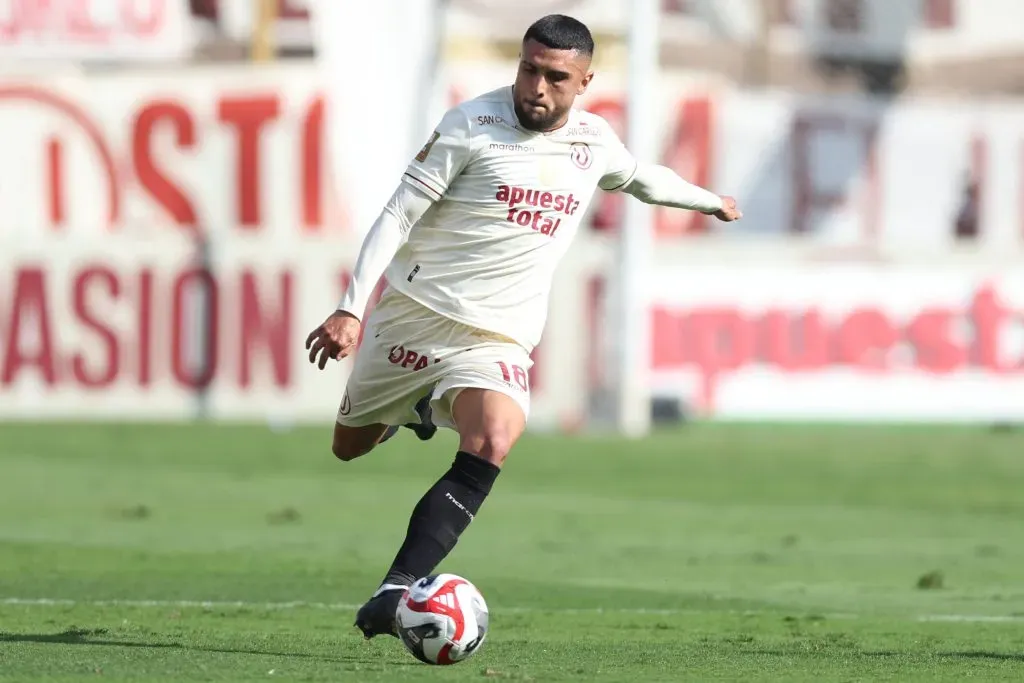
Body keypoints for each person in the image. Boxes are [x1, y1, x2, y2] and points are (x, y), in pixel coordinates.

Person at [304, 13, 742, 640]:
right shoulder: (470, 126)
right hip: (413, 317)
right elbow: (398, 215)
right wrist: (351, 307)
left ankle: (396, 587)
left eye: (555, 77)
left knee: (494, 440)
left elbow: (645, 179)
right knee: (349, 447)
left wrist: (709, 201)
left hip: (497, 337)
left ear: (585, 80)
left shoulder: (593, 143)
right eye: (529, 69)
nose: (537, 87)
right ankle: (419, 411)